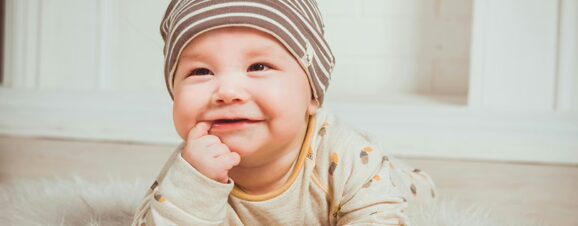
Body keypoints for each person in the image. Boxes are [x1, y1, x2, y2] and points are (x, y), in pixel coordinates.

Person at [132, 0, 436, 225]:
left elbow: (380, 216)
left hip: (384, 184)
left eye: (258, 67)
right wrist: (196, 185)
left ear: (312, 96)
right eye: (201, 71)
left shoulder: (344, 155)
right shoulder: (191, 169)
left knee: (400, 191)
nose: (226, 91)